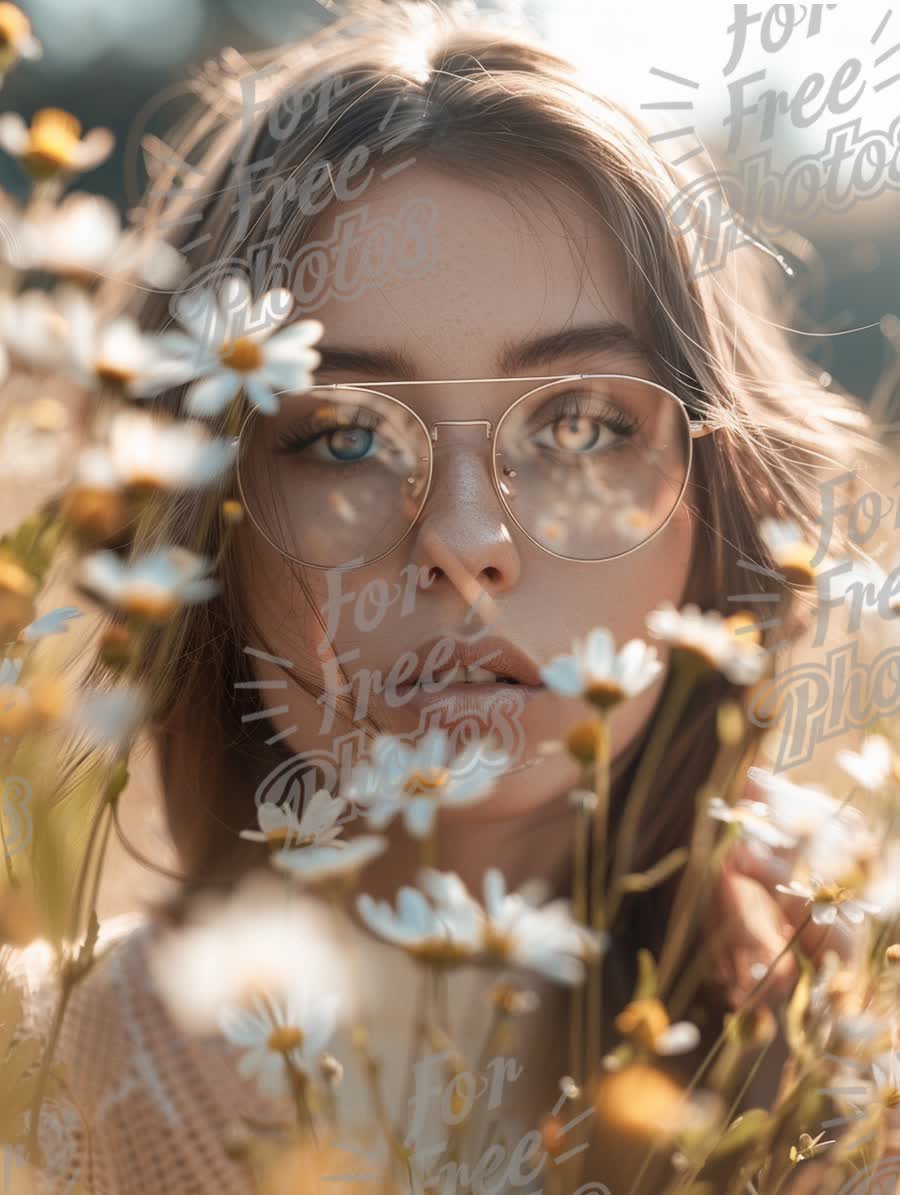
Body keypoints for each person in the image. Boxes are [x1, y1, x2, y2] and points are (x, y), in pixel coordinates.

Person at [5, 3, 897, 1193]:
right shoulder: (37, 1084)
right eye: (340, 436)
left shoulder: (847, 1094)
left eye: (580, 423)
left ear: (721, 497)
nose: (465, 543)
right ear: (196, 515)